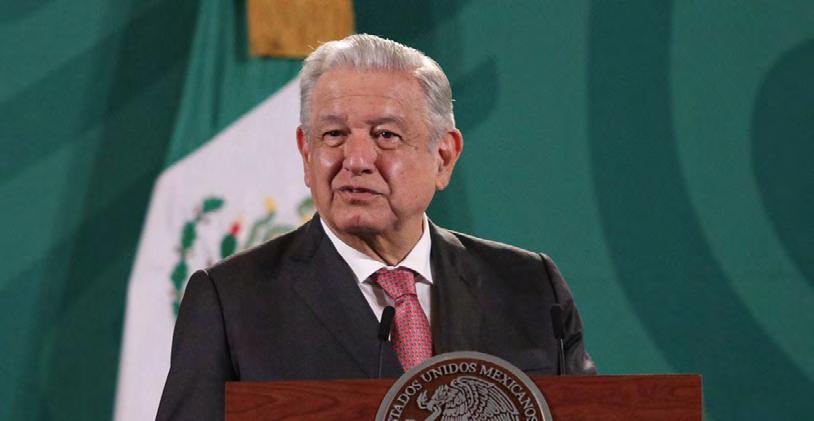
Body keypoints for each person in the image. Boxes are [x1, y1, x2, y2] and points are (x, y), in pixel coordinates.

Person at [156, 34, 595, 420]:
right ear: (306, 153)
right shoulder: (232, 301)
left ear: (443, 157)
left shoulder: (530, 287)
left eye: (386, 135)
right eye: (333, 135)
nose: (356, 160)